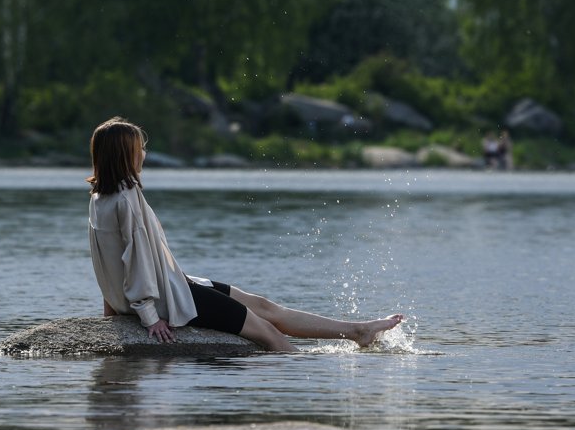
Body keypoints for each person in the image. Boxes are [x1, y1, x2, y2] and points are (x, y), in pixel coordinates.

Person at [87, 117, 403, 352]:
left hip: (171, 285)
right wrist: (148, 316)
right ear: (124, 156)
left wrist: (113, 310)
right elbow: (135, 258)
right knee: (266, 331)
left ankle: (357, 330)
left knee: (263, 306)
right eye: (139, 149)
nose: (144, 153)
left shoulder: (100, 198)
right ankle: (311, 383)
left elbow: (106, 261)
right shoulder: (128, 197)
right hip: (168, 299)